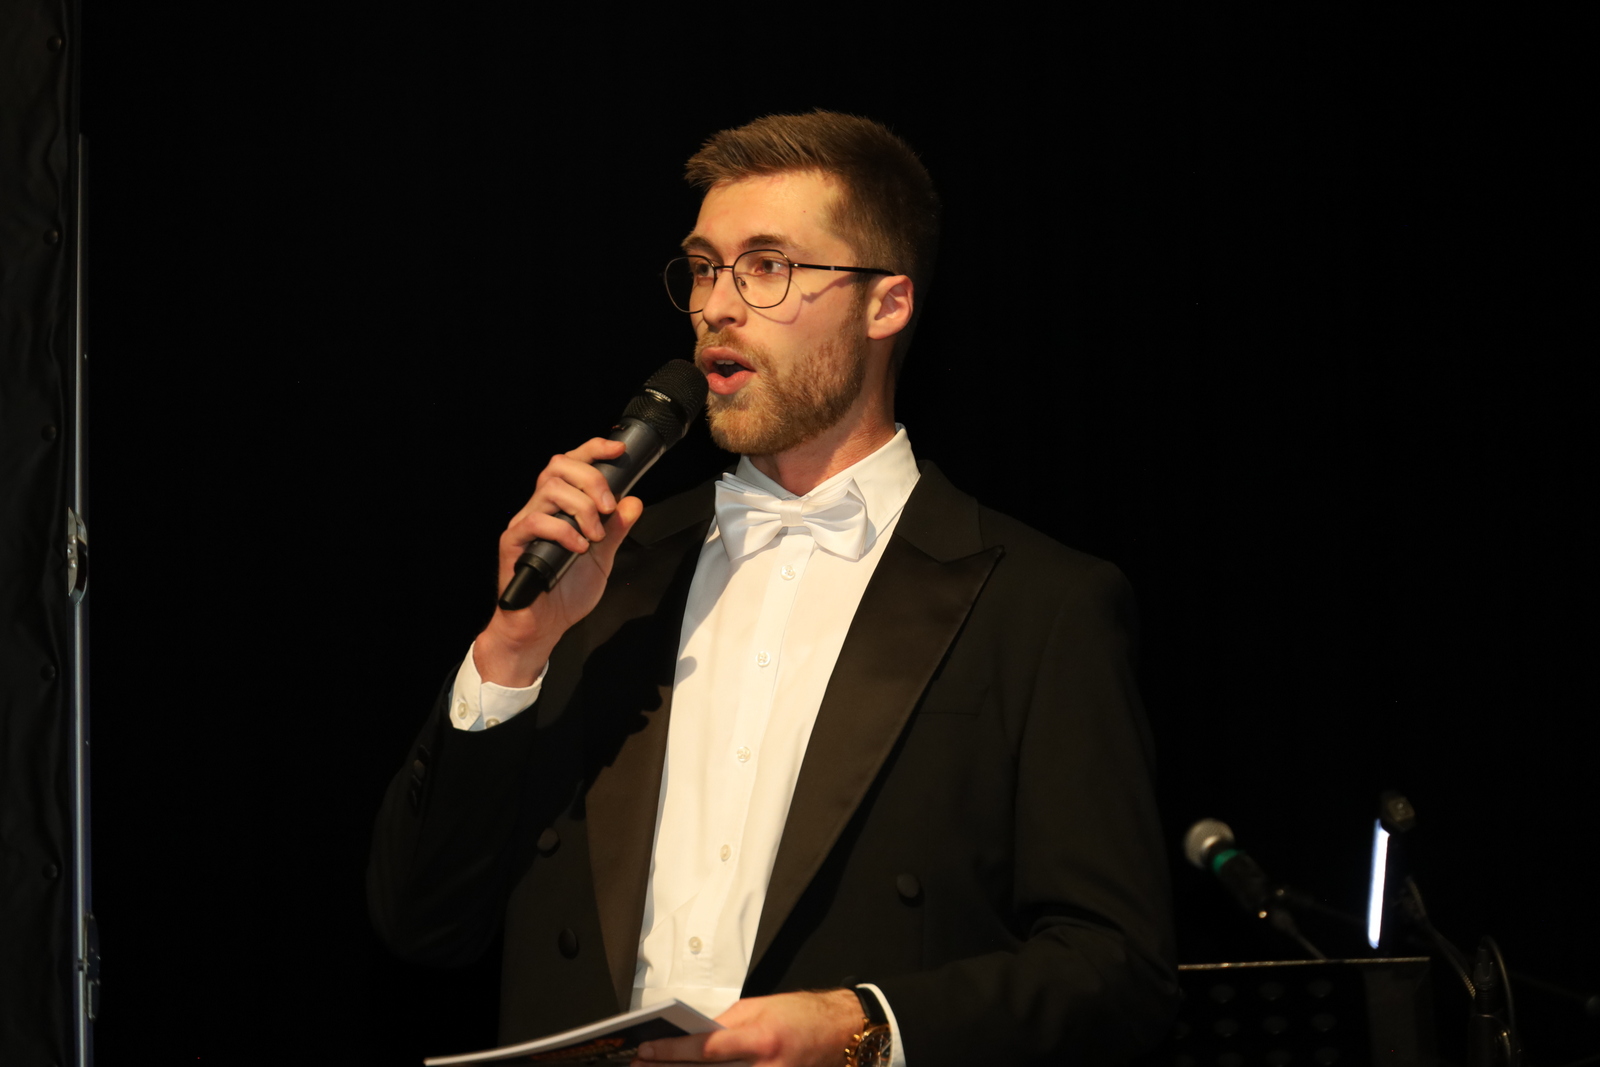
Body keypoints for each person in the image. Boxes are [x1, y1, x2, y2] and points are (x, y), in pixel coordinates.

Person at [369, 111, 1178, 1066]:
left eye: (767, 266)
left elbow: (1118, 974)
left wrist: (864, 1027)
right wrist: (512, 650)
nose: (716, 305)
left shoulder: (1039, 604)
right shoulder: (606, 570)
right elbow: (423, 922)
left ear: (886, 304)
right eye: (704, 268)